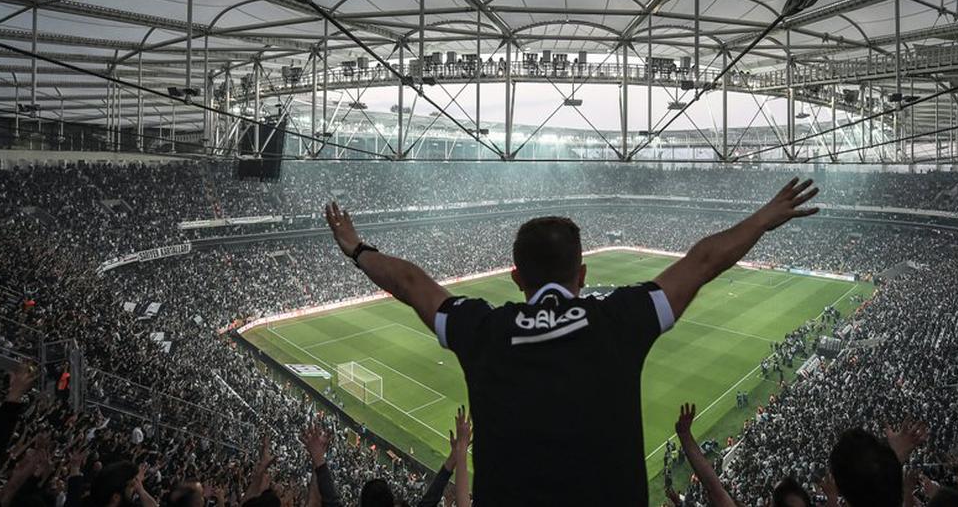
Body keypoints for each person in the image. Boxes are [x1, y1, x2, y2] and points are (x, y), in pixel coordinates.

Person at [324, 178, 820, 504]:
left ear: (517, 277)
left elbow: (412, 283)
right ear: (582, 272)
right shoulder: (620, 320)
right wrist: (761, 218)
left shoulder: (484, 331)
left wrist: (357, 247)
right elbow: (704, 261)